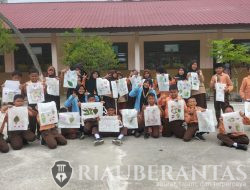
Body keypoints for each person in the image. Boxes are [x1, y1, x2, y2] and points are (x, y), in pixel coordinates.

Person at [22, 68, 45, 138]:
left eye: (36, 76)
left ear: (38, 76)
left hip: (40, 103)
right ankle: (32, 133)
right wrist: (23, 88)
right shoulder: (27, 84)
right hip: (31, 104)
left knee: (40, 118)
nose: (34, 77)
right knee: (32, 119)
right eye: (32, 76)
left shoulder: (41, 83)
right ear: (29, 76)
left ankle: (39, 133)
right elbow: (26, 94)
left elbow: (44, 93)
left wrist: (45, 86)